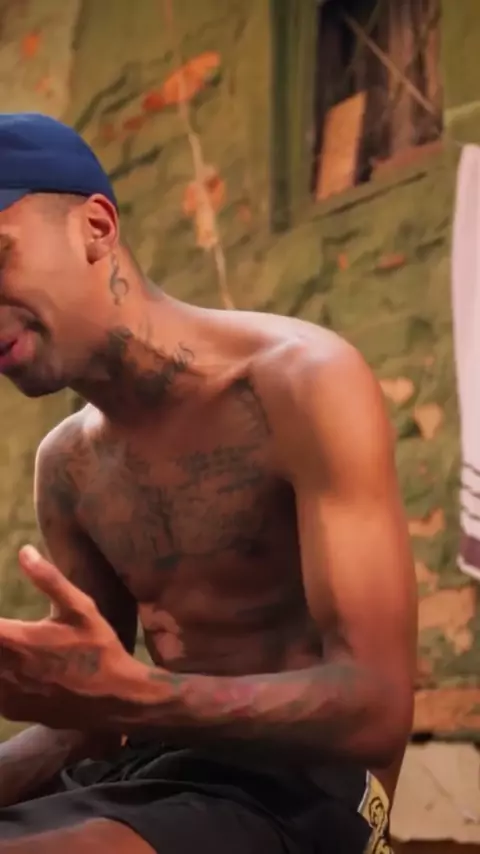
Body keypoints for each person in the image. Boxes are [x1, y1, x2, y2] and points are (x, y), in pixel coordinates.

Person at [0, 113, 417, 854]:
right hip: (159, 774)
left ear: (95, 229)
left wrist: (131, 694)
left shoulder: (299, 382)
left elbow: (379, 708)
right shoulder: (67, 467)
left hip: (313, 791)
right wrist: (92, 695)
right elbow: (85, 727)